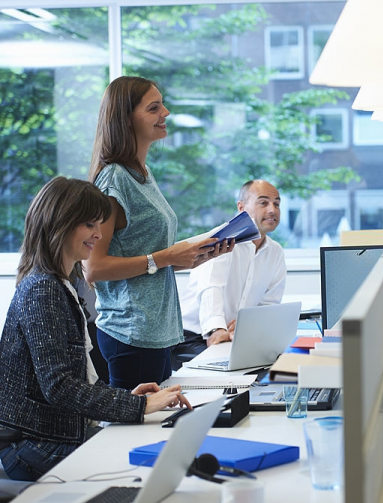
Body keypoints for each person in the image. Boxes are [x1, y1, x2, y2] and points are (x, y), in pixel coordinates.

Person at [0, 177, 191, 482]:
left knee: (157, 446)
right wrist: (138, 405)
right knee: (150, 459)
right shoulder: (42, 289)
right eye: (89, 224)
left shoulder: (59, 285)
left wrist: (125, 397)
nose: (99, 234)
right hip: (34, 447)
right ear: (59, 223)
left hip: (54, 436)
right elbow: (59, 387)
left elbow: (76, 381)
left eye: (99, 224)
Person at [84, 76, 232, 390]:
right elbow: (94, 268)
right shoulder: (113, 180)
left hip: (157, 332)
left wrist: (194, 257)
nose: (165, 113)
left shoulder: (142, 173)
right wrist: (165, 257)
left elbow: (145, 258)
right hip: (131, 332)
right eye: (154, 108)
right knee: (141, 419)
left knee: (162, 414)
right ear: (126, 119)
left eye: (162, 105)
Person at [172, 180, 286, 367]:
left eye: (277, 204)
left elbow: (269, 304)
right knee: (234, 365)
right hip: (191, 335)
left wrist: (248, 325)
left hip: (234, 336)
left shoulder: (276, 252)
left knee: (276, 361)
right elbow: (211, 288)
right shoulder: (223, 239)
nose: (272, 210)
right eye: (263, 202)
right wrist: (216, 329)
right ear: (241, 208)